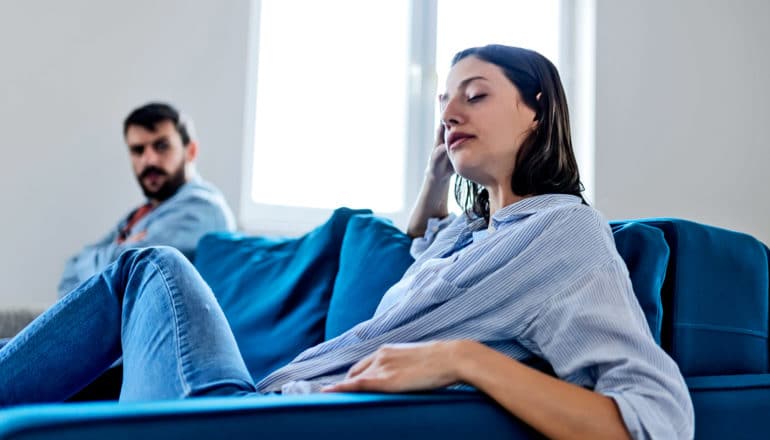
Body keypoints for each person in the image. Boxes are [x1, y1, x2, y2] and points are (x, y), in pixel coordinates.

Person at [0, 45, 693, 439]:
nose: (450, 112)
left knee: (151, 264)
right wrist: (437, 169)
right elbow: (421, 247)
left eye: (474, 95)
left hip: (270, 423)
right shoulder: (473, 239)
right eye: (444, 101)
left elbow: (657, 420)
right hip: (267, 401)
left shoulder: (563, 232)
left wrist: (465, 359)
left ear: (537, 110)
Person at [57, 102, 236, 297]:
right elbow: (69, 273)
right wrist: (117, 252)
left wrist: (111, 254)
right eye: (138, 150)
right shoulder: (142, 213)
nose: (149, 160)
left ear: (191, 151)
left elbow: (122, 272)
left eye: (162, 146)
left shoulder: (204, 207)